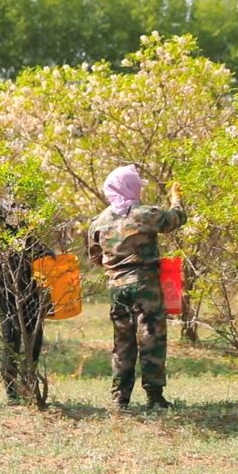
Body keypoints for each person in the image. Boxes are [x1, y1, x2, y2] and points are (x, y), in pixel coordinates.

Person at [87, 165, 186, 411]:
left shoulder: (98, 222)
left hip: (117, 289)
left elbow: (95, 257)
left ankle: (120, 399)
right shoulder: (144, 214)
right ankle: (154, 397)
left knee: (123, 342)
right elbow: (176, 220)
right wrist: (176, 199)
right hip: (146, 286)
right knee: (151, 339)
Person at [0, 199, 52, 403]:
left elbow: (34, 246)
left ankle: (29, 385)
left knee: (34, 337)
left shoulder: (27, 226)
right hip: (5, 289)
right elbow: (9, 254)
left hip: (30, 287)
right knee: (11, 340)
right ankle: (12, 392)